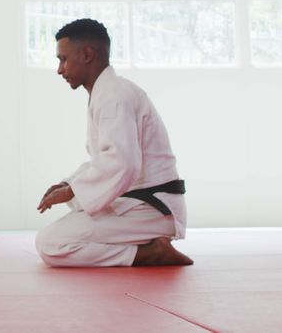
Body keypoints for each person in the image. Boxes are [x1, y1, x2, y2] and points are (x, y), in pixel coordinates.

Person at [35, 18, 193, 267]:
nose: (60, 70)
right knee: (61, 230)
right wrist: (68, 183)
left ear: (87, 54)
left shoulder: (114, 96)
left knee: (51, 243)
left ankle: (149, 253)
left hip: (151, 209)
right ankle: (148, 245)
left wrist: (73, 190)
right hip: (140, 204)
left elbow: (123, 163)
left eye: (63, 59)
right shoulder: (109, 92)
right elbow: (105, 159)